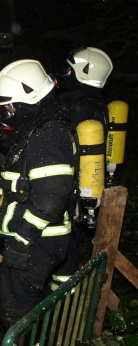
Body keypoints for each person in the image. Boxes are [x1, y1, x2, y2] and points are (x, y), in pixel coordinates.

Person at [0, 60, 76, 330]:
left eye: (9, 107)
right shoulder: (39, 129)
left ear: (26, 100)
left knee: (18, 308)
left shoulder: (48, 135)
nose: (7, 113)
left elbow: (53, 193)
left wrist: (23, 238)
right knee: (20, 297)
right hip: (34, 238)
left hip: (38, 241)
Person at [51, 46, 113, 290]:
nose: (65, 72)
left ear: (83, 72)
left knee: (62, 246)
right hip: (85, 187)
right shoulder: (97, 104)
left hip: (68, 189)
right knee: (70, 242)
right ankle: (65, 294)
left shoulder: (70, 104)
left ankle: (61, 297)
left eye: (69, 69)